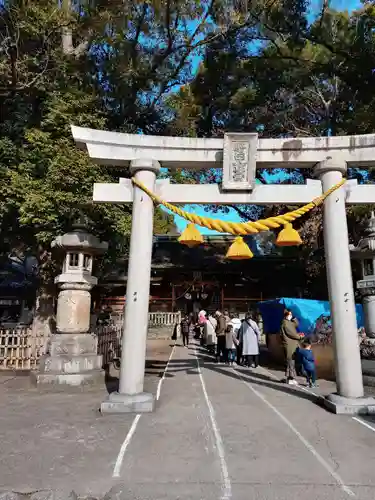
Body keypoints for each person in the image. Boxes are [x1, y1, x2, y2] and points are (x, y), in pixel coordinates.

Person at [280, 309, 303, 385]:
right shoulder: (285, 323)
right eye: (290, 315)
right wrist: (300, 337)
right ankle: (290, 378)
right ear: (286, 315)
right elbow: (292, 333)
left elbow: (296, 324)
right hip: (289, 345)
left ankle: (290, 378)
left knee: (291, 361)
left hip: (292, 344)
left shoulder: (289, 322)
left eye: (291, 315)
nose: (291, 316)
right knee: (290, 362)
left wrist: (294, 318)